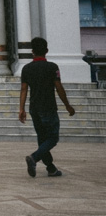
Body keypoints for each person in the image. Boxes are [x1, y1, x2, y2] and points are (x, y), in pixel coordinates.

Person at [18, 36, 76, 178]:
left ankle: (51, 168)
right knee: (52, 138)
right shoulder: (52, 67)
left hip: (34, 108)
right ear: (46, 50)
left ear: (32, 51)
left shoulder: (26, 68)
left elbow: (24, 90)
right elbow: (58, 87)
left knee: (42, 138)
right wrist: (67, 105)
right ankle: (34, 157)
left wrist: (21, 109)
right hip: (48, 107)